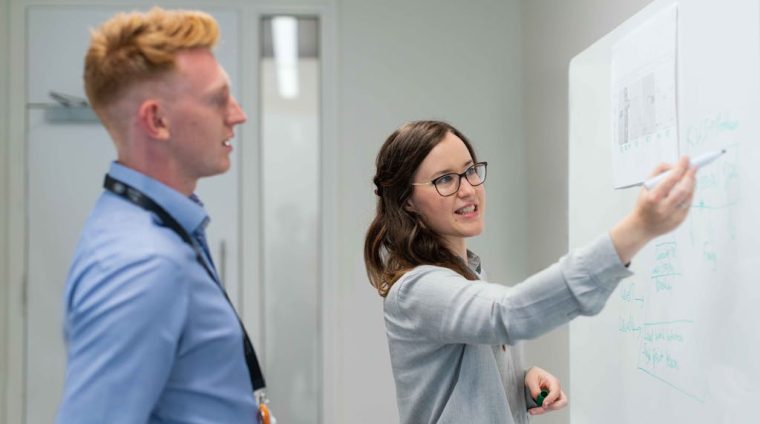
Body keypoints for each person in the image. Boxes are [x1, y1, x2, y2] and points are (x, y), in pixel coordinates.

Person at [364, 120, 696, 424]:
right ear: (407, 201)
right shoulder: (416, 289)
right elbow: (506, 314)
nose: (468, 189)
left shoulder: (468, 273)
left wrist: (516, 382)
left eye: (470, 171)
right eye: (445, 179)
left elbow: (461, 387)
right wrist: (637, 229)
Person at [57, 8, 270, 423]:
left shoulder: (154, 227)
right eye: (217, 99)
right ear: (157, 120)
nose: (237, 114)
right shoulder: (142, 264)